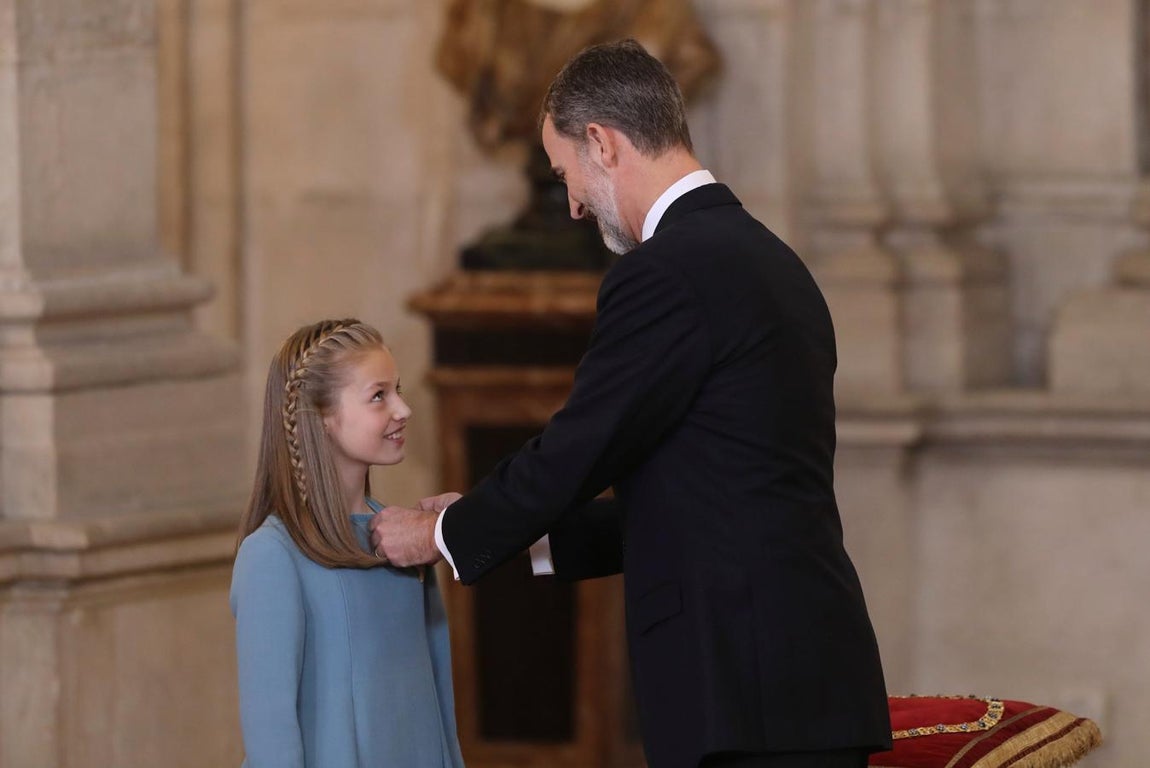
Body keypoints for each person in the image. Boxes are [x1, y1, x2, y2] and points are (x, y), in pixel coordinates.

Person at [371, 40, 892, 768]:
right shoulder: (773, 262)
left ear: (602, 143)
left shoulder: (666, 272)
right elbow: (712, 493)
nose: (575, 205)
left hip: (742, 691)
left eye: (566, 174)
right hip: (802, 680)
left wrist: (442, 535)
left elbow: (578, 447)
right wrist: (525, 534)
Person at [230, 319, 466, 768]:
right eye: (379, 396)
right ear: (321, 417)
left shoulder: (404, 542)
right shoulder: (273, 556)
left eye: (397, 390)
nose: (403, 409)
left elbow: (440, 713)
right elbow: (271, 741)